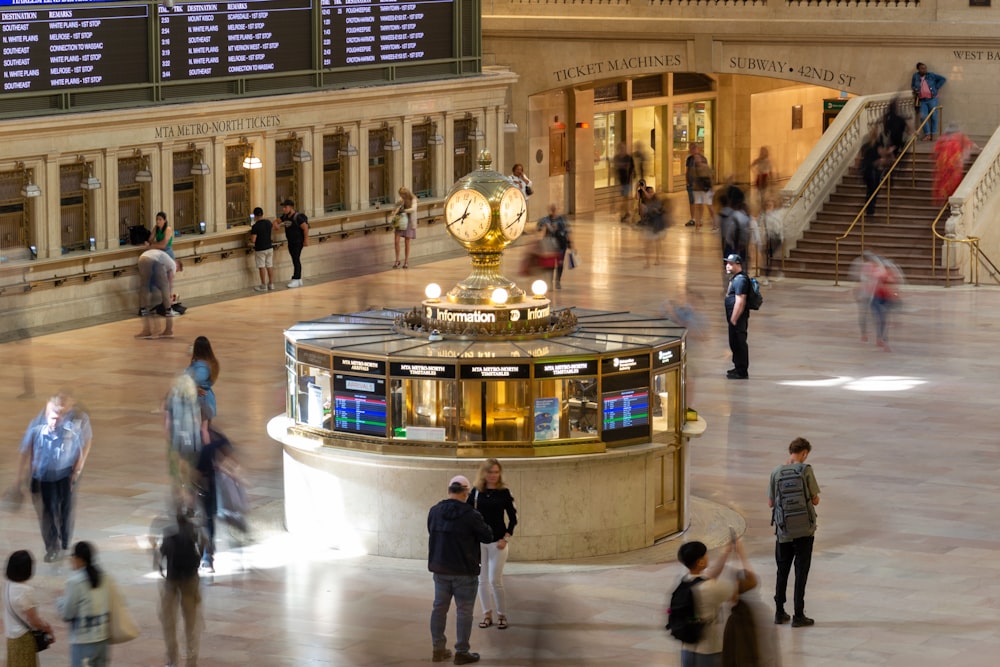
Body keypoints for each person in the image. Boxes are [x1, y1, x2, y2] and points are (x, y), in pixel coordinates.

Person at [427, 474, 493, 665]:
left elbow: (431, 532)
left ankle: (437, 650)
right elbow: (487, 536)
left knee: (439, 608)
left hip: (440, 569)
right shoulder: (471, 515)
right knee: (464, 611)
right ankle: (462, 652)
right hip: (464, 571)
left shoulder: (434, 511)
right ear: (466, 492)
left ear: (449, 490)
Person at [18, 399, 87, 562]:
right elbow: (28, 451)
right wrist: (28, 473)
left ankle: (64, 539)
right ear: (47, 417)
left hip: (64, 476)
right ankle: (52, 547)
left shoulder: (70, 431)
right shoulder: (37, 431)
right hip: (45, 477)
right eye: (52, 418)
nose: (55, 422)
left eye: (58, 419)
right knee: (49, 512)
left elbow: (79, 452)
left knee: (64, 509)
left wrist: (75, 473)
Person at [675, 538, 756, 667]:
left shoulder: (684, 582)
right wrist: (741, 554)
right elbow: (751, 582)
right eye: (706, 555)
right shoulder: (713, 588)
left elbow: (710, 575)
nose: (708, 557)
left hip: (687, 649)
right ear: (700, 562)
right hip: (709, 652)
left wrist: (726, 552)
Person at [768, 437, 821, 628]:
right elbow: (815, 500)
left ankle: (779, 612)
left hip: (784, 532)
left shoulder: (776, 472)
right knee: (801, 572)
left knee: (782, 572)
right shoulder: (806, 470)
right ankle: (799, 614)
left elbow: (771, 503)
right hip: (805, 532)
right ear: (804, 453)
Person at [468, 459, 518, 631]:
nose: (493, 475)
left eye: (496, 472)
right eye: (490, 472)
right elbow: (467, 515)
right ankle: (486, 614)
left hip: (498, 543)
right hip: (479, 543)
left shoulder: (504, 492)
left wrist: (506, 538)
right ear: (484, 473)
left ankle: (501, 614)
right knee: (481, 580)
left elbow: (513, 518)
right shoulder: (475, 493)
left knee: (494, 580)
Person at [158, 512, 204, 667]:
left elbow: (162, 554)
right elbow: (204, 545)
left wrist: (161, 569)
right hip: (190, 579)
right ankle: (191, 659)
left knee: (169, 621)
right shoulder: (195, 530)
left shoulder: (168, 532)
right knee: (191, 621)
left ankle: (172, 659)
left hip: (172, 579)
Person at [57, 541, 110, 667]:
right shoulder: (104, 577)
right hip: (102, 637)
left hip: (84, 640)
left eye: (72, 556)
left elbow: (68, 614)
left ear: (79, 559)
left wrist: (59, 603)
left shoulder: (75, 582)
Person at [194, 426, 237, 572]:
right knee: (207, 522)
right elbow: (228, 452)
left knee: (204, 522)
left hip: (203, 486)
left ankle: (205, 557)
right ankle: (206, 557)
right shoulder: (214, 437)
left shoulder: (199, 437)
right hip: (205, 485)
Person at [4, 550, 56, 667]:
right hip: (23, 640)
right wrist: (48, 629)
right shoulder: (25, 591)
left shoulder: (8, 585)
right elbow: (33, 620)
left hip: (11, 639)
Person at [932, 123, 977, 206]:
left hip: (944, 165)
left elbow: (935, 152)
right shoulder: (960, 136)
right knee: (954, 183)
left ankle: (946, 202)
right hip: (955, 165)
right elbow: (970, 144)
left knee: (944, 184)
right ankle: (951, 202)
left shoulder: (942, 138)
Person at [136, 248, 178, 338]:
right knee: (165, 288)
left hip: (143, 258)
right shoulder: (173, 266)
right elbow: (168, 285)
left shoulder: (167, 260)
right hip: (154, 260)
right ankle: (168, 329)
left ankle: (147, 330)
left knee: (144, 288)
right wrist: (169, 298)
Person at [723, 254, 751, 380]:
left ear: (738, 264)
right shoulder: (736, 278)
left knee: (739, 343)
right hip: (734, 319)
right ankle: (737, 366)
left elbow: (740, 301)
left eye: (730, 263)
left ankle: (742, 371)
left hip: (737, 319)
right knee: (734, 343)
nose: (727, 265)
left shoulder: (741, 280)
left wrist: (734, 319)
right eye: (727, 263)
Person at [536, 203, 571, 289]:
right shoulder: (545, 220)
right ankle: (550, 281)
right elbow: (538, 227)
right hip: (550, 245)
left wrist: (570, 243)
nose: (553, 211)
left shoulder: (562, 219)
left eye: (555, 209)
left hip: (561, 244)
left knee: (560, 263)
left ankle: (558, 280)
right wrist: (545, 227)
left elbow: (567, 231)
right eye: (552, 209)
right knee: (550, 264)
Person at [186, 335, 219, 426]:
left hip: (201, 399)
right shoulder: (211, 363)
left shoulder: (201, 367)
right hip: (207, 398)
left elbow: (194, 379)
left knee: (202, 429)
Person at [911, 62, 946, 141]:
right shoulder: (915, 76)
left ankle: (933, 133)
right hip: (922, 100)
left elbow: (943, 79)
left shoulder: (931, 75)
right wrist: (915, 90)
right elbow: (913, 85)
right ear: (918, 69)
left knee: (934, 116)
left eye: (925, 68)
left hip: (932, 99)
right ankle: (927, 134)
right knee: (923, 117)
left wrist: (936, 87)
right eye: (922, 68)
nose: (924, 70)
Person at [278, 199, 308, 288]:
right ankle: (298, 279)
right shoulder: (285, 216)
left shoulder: (297, 217)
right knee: (294, 259)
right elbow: (277, 221)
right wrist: (276, 224)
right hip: (290, 241)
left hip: (298, 242)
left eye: (285, 207)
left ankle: (296, 278)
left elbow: (305, 228)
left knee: (296, 259)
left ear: (291, 207)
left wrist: (306, 240)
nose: (284, 209)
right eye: (283, 207)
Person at [249, 206, 278, 291]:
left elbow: (253, 240)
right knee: (269, 265)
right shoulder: (268, 222)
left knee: (262, 266)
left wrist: (250, 240)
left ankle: (263, 285)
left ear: (255, 216)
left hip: (260, 249)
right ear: (262, 214)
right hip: (269, 247)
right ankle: (271, 284)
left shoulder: (255, 226)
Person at [640, 187, 669, 267]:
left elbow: (662, 212)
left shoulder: (657, 201)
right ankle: (647, 262)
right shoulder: (643, 203)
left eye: (652, 192)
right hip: (649, 224)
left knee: (657, 242)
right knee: (647, 244)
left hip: (657, 224)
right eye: (649, 192)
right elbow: (643, 215)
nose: (650, 194)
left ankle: (657, 259)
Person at [392, 187, 418, 269]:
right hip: (400, 221)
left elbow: (413, 209)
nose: (401, 196)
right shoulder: (401, 200)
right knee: (396, 241)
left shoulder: (413, 199)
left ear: (406, 194)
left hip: (409, 221)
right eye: (400, 195)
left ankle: (406, 261)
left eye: (402, 195)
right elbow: (395, 206)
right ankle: (397, 260)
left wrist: (404, 210)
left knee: (407, 241)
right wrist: (395, 210)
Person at [690, 145, 714, 231]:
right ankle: (697, 224)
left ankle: (715, 223)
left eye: (698, 158)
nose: (696, 159)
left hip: (706, 188)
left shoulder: (705, 167)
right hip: (697, 189)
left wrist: (712, 188)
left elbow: (711, 177)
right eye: (695, 158)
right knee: (698, 205)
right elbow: (692, 178)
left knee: (709, 205)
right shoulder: (693, 169)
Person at [613, 143, 635, 223]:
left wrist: (631, 177)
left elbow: (632, 169)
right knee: (624, 198)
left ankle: (625, 213)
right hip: (621, 181)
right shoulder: (617, 158)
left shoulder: (628, 158)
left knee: (625, 198)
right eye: (621, 148)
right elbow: (615, 169)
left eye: (623, 148)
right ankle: (626, 212)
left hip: (627, 181)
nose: (622, 150)